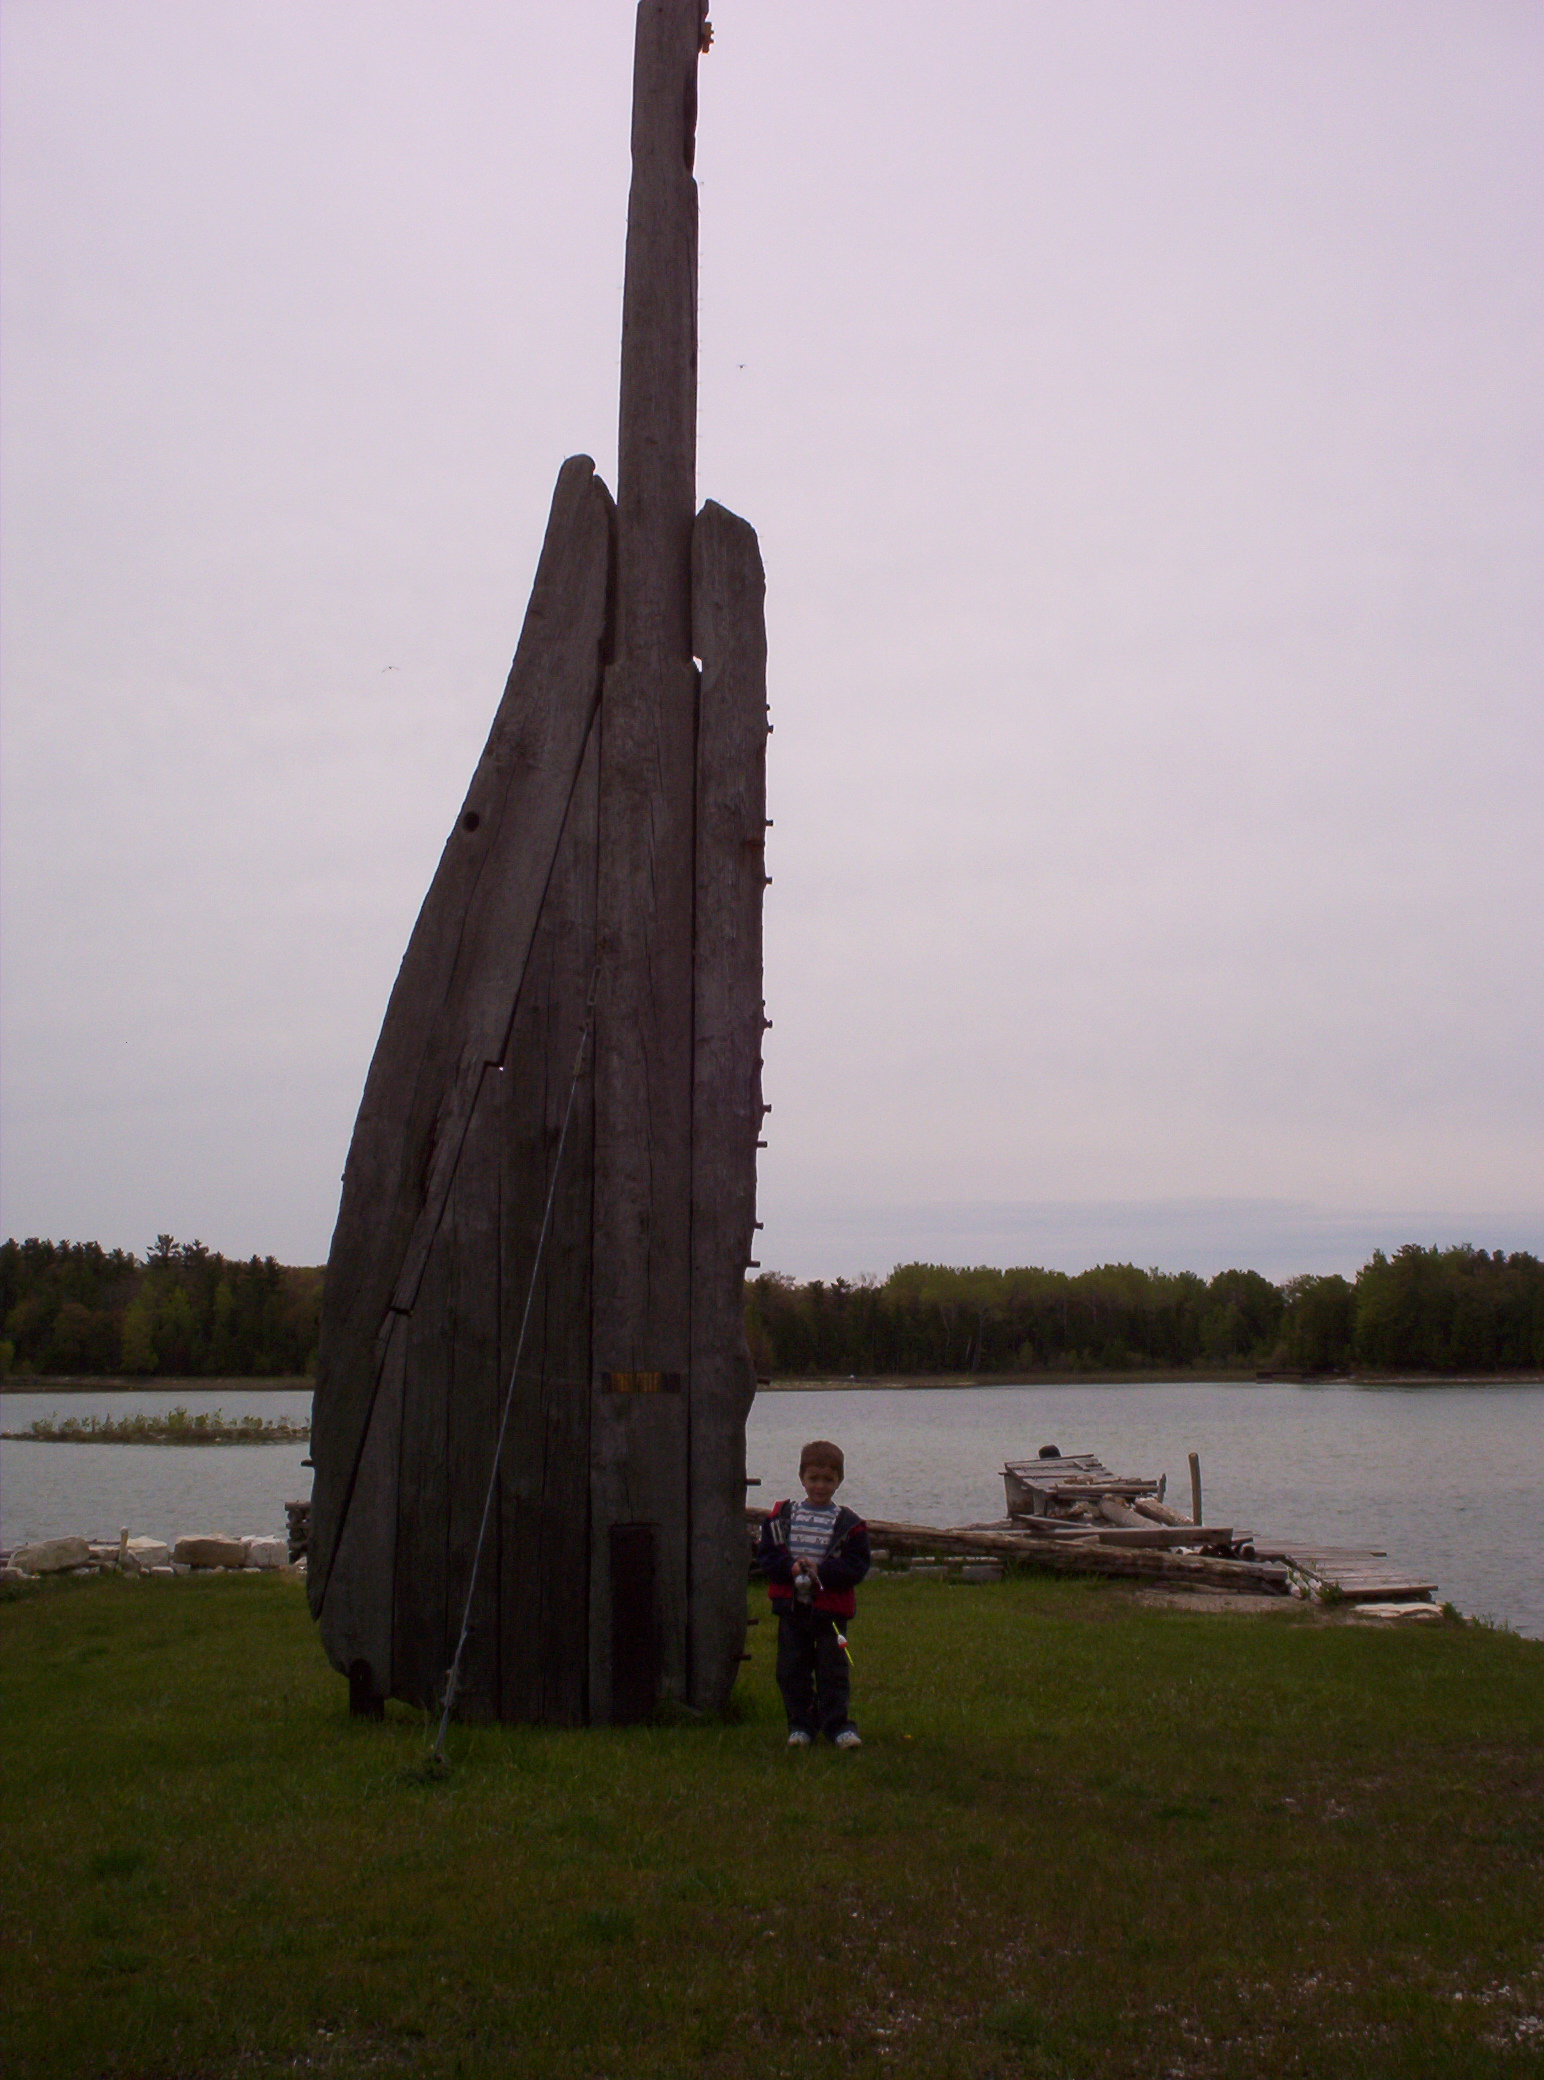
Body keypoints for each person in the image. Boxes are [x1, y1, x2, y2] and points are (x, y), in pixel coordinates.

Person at [756, 1439, 870, 1749]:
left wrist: (824, 1573)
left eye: (828, 1480)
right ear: (802, 1478)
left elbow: (857, 1566)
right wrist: (790, 1569)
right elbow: (767, 1556)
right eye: (814, 1479)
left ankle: (838, 1727)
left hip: (831, 1612)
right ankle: (801, 1726)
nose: (820, 1486)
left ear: (839, 1481)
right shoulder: (782, 1517)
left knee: (833, 1669)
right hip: (792, 1610)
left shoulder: (849, 1524)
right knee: (792, 1669)